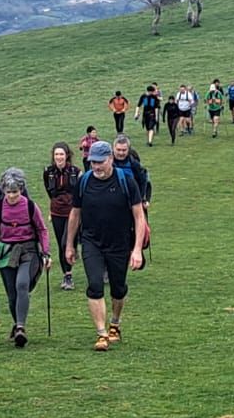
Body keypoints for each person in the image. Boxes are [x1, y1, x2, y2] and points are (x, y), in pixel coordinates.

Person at [64, 141, 148, 352]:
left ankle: (115, 323)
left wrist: (137, 249)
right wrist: (69, 245)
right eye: (93, 163)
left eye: (100, 162)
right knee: (95, 285)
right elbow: (75, 214)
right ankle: (101, 334)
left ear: (110, 159)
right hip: (91, 242)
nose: (97, 167)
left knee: (118, 289)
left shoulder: (126, 181)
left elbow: (139, 217)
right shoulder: (84, 182)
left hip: (119, 243)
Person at [0, 169, 51, 347]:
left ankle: (21, 327)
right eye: (8, 192)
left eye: (15, 192)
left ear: (21, 190)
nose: (12, 196)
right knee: (12, 294)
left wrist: (45, 252)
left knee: (22, 285)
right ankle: (16, 323)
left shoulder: (30, 206)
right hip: (6, 251)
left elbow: (42, 229)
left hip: (29, 251)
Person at [42, 142, 81, 291]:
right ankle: (66, 274)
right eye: (56, 154)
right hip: (57, 211)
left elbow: (79, 192)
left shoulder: (75, 172)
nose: (59, 157)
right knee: (60, 243)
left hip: (72, 211)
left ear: (67, 156)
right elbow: (49, 191)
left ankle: (69, 273)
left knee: (67, 242)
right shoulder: (48, 172)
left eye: (61, 154)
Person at [111, 135, 152, 207]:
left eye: (124, 150)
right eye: (118, 150)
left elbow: (145, 181)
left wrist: (143, 199)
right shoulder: (106, 164)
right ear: (113, 148)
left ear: (128, 150)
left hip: (131, 204)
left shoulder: (134, 164)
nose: (121, 153)